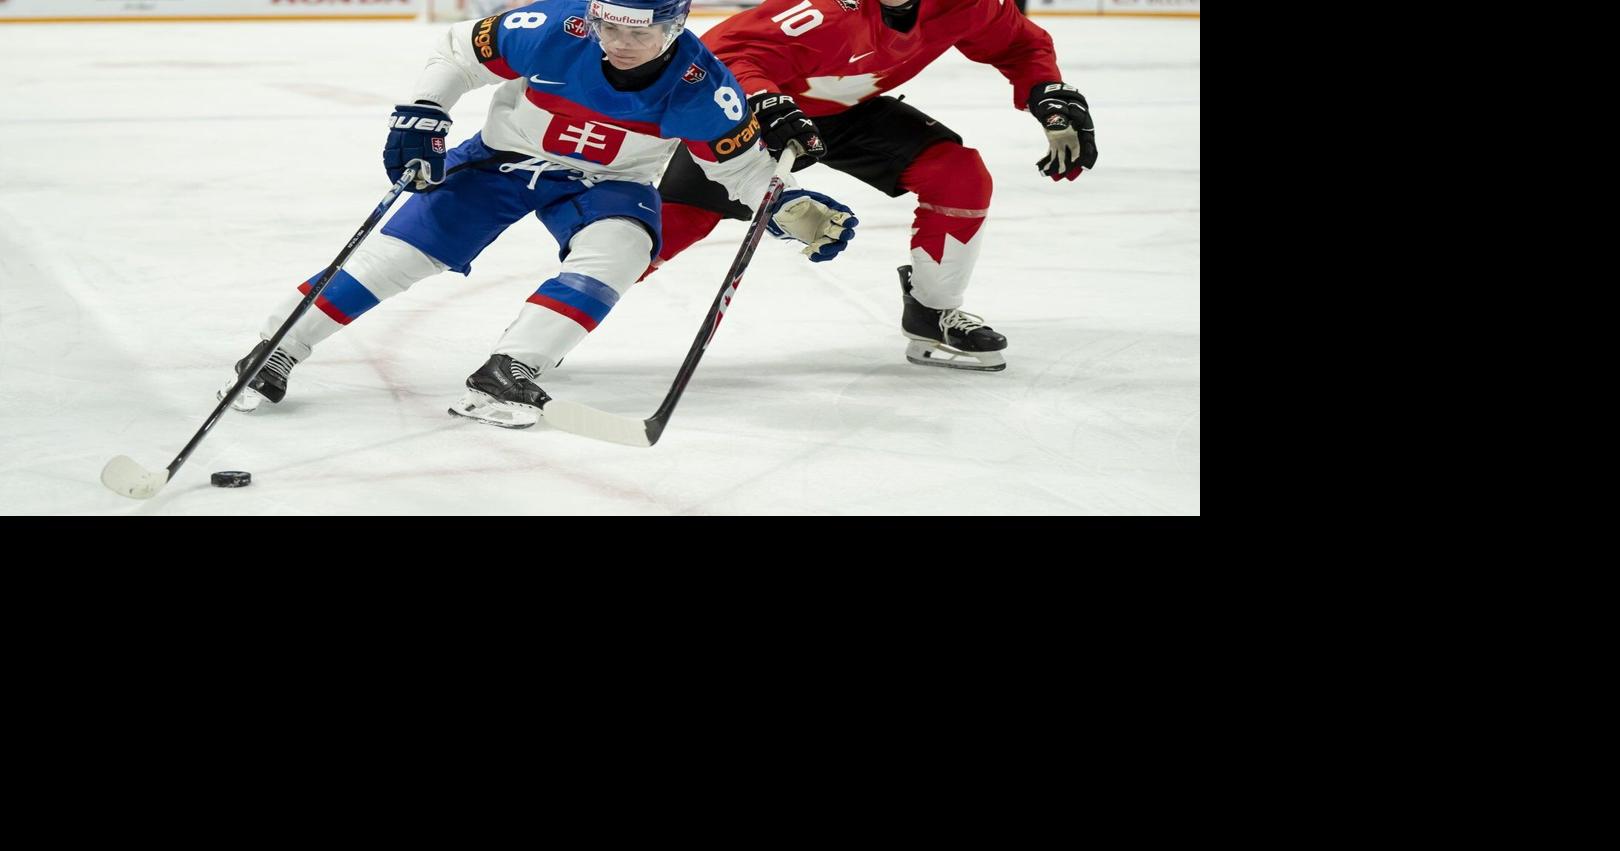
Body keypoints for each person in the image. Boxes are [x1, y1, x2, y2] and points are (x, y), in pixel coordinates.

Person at [225, 0, 858, 428]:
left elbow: (740, 170)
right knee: (403, 253)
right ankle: (278, 346)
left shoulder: (703, 86)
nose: (621, 44)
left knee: (622, 250)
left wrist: (787, 207)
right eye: (609, 26)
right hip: (503, 158)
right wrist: (425, 110)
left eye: (641, 32)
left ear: (676, 28)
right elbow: (458, 52)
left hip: (609, 183)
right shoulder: (555, 28)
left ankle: (509, 369)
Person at [653, 0, 1095, 371]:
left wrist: (1046, 92)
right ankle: (581, 300)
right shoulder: (823, 11)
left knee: (958, 175)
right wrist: (761, 97)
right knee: (677, 222)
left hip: (849, 113)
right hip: (758, 118)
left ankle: (932, 312)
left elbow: (1018, 43)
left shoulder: (965, 4)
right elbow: (723, 51)